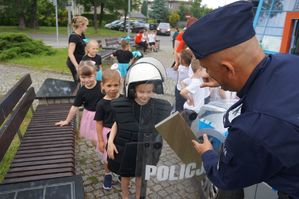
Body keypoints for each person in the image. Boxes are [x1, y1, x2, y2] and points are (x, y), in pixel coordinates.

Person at [183, 1, 299, 198]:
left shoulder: (253, 129)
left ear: (229, 69)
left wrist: (208, 154)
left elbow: (226, 177)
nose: (207, 74)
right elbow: (265, 92)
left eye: (208, 68)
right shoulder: (287, 62)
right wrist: (225, 81)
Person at [107, 58, 171, 199]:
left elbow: (162, 128)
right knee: (125, 176)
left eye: (149, 92)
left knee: (141, 177)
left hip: (145, 149)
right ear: (132, 89)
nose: (145, 95)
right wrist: (110, 142)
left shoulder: (158, 107)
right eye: (141, 92)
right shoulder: (123, 105)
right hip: (126, 147)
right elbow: (117, 123)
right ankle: (125, 196)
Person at [55, 61, 104, 145]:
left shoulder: (102, 85)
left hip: (104, 115)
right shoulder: (82, 91)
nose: (87, 80)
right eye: (83, 77)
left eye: (90, 76)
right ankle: (100, 153)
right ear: (79, 77)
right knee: (95, 139)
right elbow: (75, 107)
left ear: (95, 74)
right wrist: (67, 120)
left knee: (105, 135)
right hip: (91, 117)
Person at [94, 69, 121, 190]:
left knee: (120, 153)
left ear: (120, 84)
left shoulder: (123, 99)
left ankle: (120, 171)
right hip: (106, 133)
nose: (113, 88)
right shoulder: (101, 104)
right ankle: (107, 174)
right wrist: (100, 140)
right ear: (103, 86)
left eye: (116, 85)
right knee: (107, 157)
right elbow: (99, 123)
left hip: (121, 132)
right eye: (109, 85)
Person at [66, 16, 89, 83]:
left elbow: (86, 44)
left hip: (81, 61)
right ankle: (77, 93)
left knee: (84, 80)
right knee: (79, 81)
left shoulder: (82, 34)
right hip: (74, 63)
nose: (87, 27)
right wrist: (76, 66)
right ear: (81, 25)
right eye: (86, 25)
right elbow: (70, 53)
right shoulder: (73, 37)